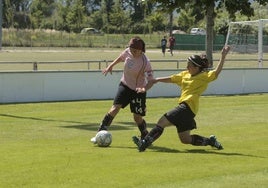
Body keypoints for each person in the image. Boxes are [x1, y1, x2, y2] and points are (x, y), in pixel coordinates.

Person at [132, 46, 231, 152]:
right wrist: (157, 80)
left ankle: (144, 142)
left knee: (162, 122)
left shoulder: (204, 76)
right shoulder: (185, 74)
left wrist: (223, 56)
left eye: (190, 66)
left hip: (186, 107)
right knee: (185, 139)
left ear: (197, 68)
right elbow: (172, 78)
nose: (187, 67)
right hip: (189, 111)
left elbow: (216, 72)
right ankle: (210, 141)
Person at [91, 36, 154, 144]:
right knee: (114, 109)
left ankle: (145, 135)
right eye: (131, 49)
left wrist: (144, 88)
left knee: (137, 118)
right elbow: (121, 57)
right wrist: (111, 65)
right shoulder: (128, 52)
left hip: (138, 90)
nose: (132, 52)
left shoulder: (145, 62)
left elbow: (151, 80)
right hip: (125, 85)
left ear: (141, 50)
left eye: (135, 50)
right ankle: (100, 133)